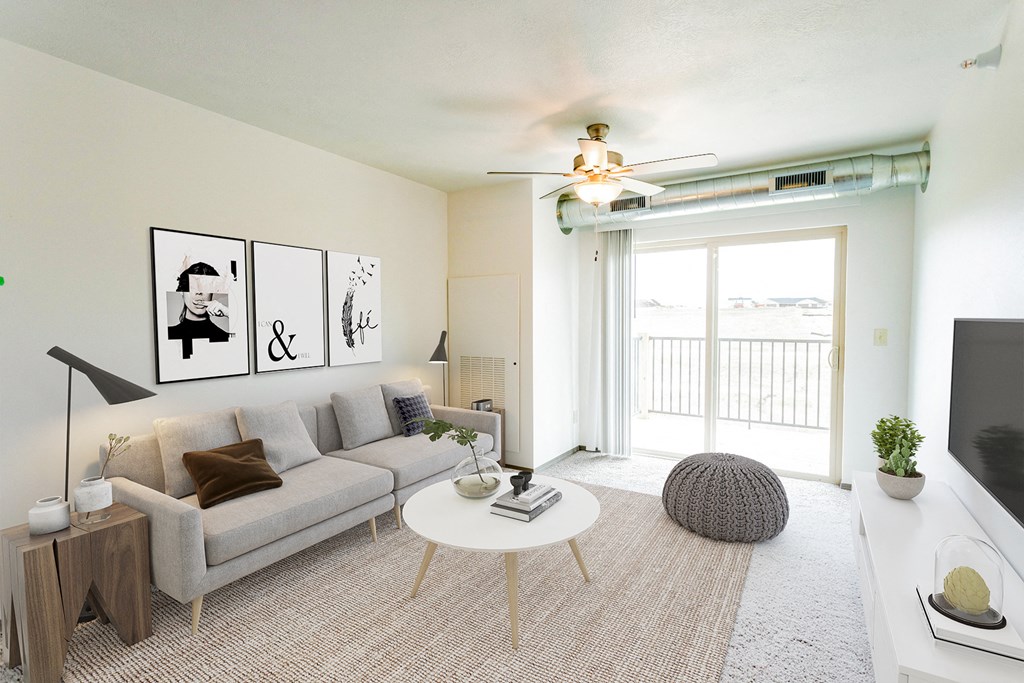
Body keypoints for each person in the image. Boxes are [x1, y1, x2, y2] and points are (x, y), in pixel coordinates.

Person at [168, 262, 230, 358]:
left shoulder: (225, 337)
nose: (199, 293)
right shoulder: (167, 334)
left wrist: (228, 312)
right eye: (192, 287)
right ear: (181, 291)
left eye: (205, 287)